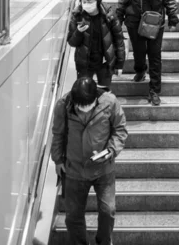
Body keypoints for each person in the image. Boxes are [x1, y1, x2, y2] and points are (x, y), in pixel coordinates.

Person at [51, 77, 128, 245]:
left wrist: (111, 150)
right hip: (74, 169)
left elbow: (120, 129)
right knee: (72, 217)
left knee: (108, 211)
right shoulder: (63, 105)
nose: (84, 111)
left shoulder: (110, 102)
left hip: (103, 168)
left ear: (96, 98)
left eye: (88, 107)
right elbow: (58, 134)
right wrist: (57, 160)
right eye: (80, 107)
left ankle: (104, 241)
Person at [116, 0, 178, 105]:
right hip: (134, 20)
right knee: (138, 50)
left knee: (155, 55)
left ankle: (154, 90)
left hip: (154, 22)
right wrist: (119, 15)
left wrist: (172, 17)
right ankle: (140, 69)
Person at [67, 0, 125, 88]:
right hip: (84, 64)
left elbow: (119, 40)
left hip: (104, 62)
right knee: (84, 92)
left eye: (90, 2)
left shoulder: (109, 16)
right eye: (84, 2)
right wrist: (78, 32)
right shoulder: (77, 16)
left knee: (104, 93)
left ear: (98, 1)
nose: (87, 5)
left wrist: (119, 64)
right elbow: (72, 42)